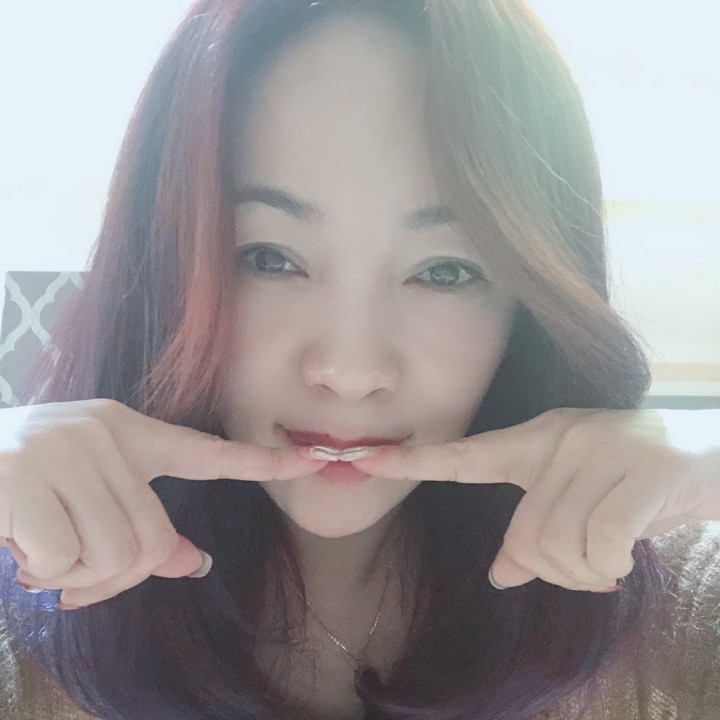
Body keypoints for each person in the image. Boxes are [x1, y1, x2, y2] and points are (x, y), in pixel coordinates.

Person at [0, 0, 718, 718]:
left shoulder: (672, 614)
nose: (350, 372)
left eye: (444, 271)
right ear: (161, 267)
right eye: (268, 257)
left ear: (529, 307)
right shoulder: (33, 613)